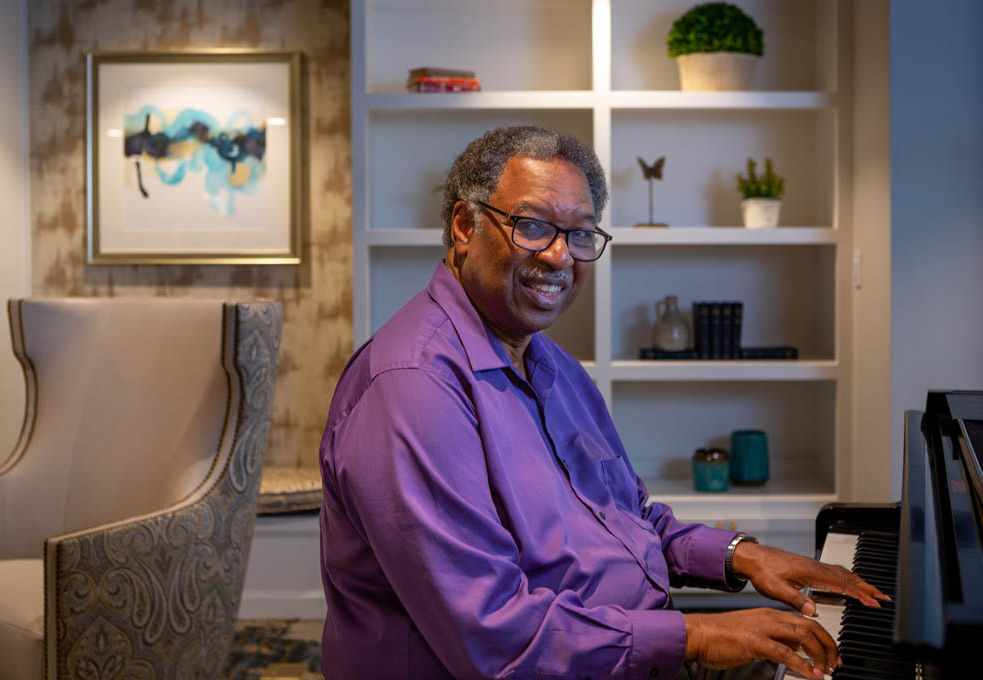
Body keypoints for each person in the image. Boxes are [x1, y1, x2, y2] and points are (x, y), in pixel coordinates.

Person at [319, 126, 887, 680]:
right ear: (465, 226)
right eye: (533, 227)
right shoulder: (414, 386)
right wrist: (699, 635)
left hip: (626, 647)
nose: (561, 257)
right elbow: (490, 634)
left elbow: (626, 520)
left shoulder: (553, 365)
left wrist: (738, 555)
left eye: (581, 234)